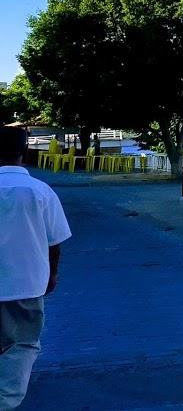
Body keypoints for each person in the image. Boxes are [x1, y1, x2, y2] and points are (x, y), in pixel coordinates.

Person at [0, 127, 71, 410]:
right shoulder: (40, 191)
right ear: (23, 152)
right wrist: (52, 273)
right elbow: (54, 241)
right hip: (26, 285)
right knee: (21, 346)